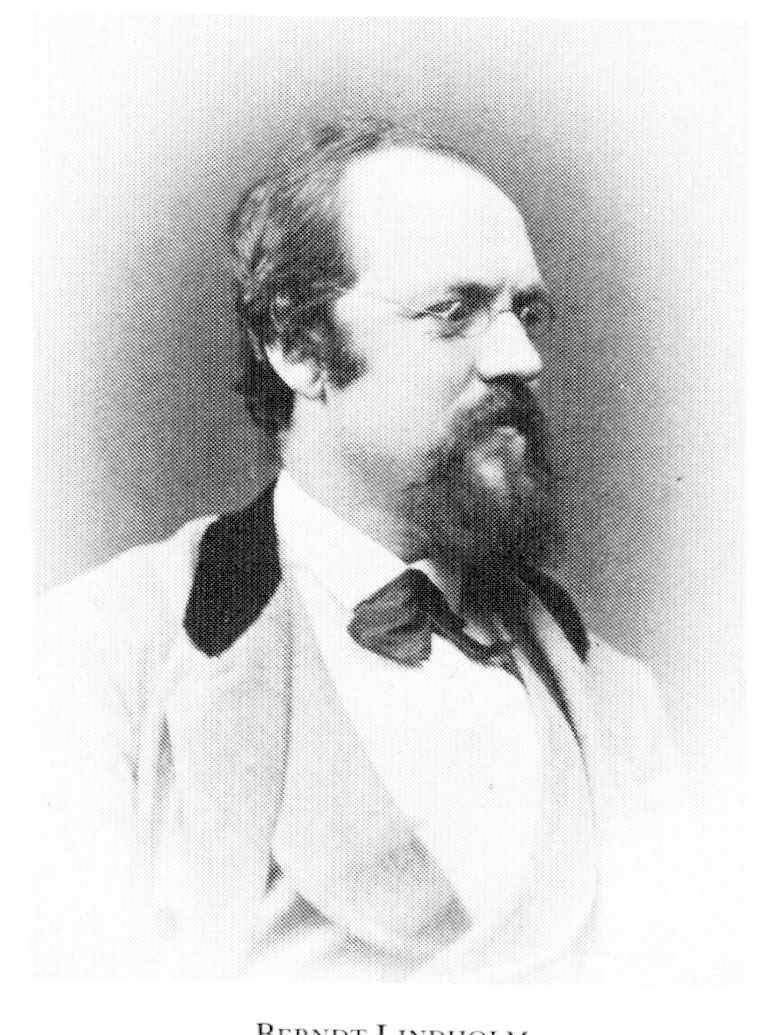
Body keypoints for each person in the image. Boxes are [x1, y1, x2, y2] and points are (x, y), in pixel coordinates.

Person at [34, 117, 688, 981]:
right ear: (298, 347)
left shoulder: (617, 703)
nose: (521, 357)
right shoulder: (97, 655)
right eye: (453, 312)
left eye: (526, 312)